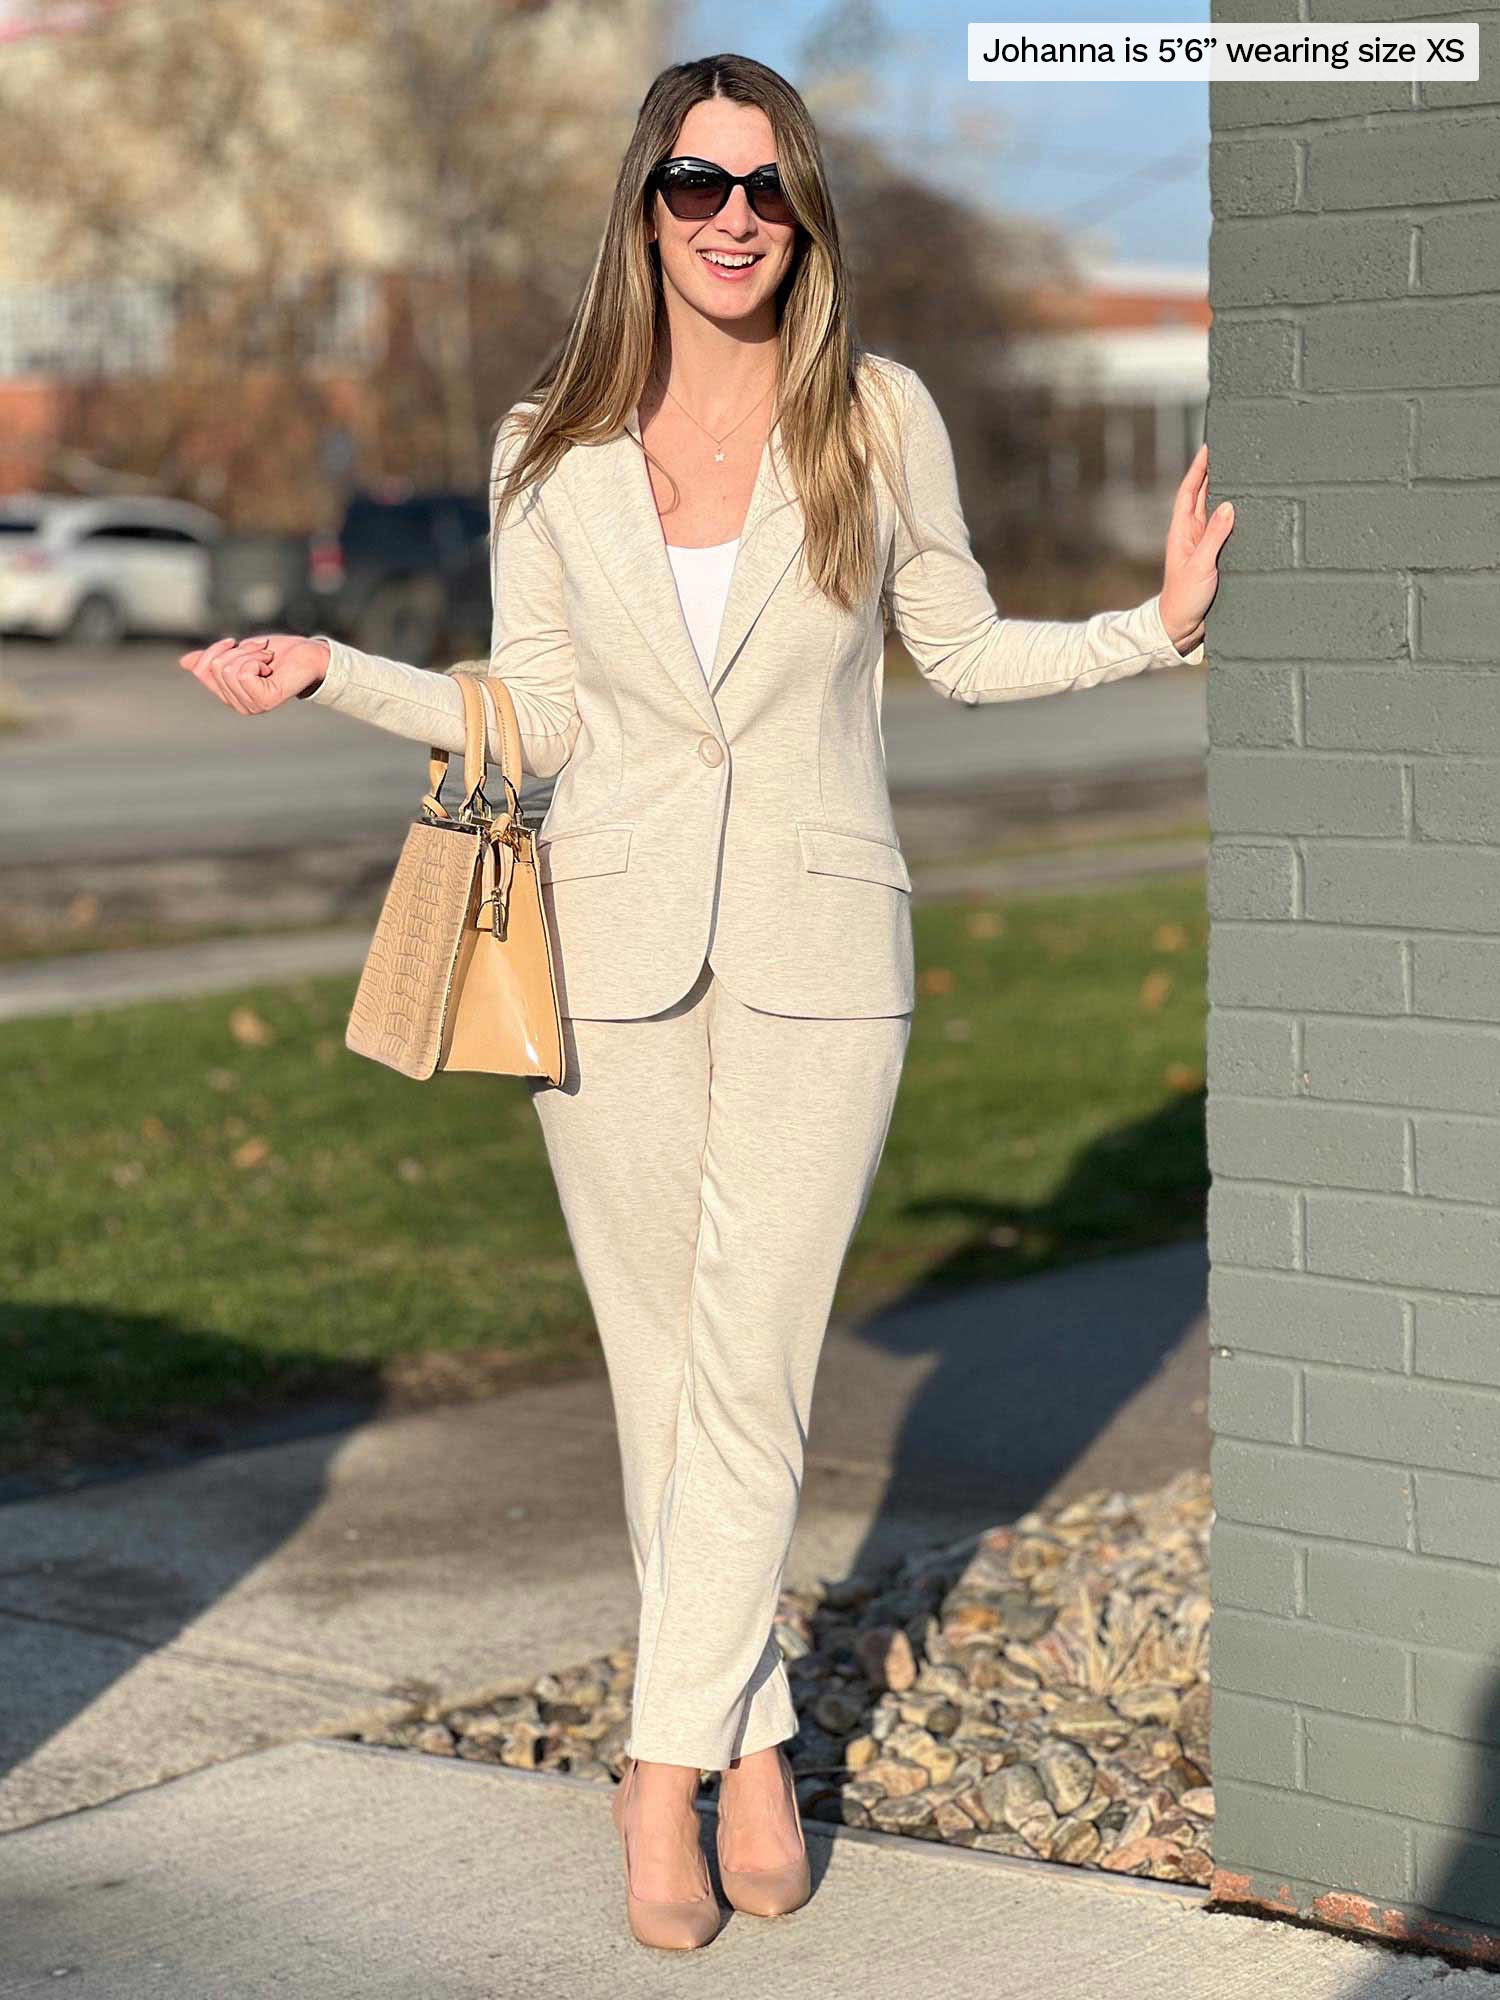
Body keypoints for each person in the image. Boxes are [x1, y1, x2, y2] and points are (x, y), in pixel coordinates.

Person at [180, 51, 1229, 1954]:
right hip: (614, 954)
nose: (734, 217)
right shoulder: (545, 446)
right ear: (643, 206)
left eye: (767, 187)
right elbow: (545, 720)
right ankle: (749, 1741)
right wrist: (329, 668)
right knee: (662, 1379)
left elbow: (960, 650)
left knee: (753, 1370)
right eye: (695, 184)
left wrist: (1152, 631)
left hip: (829, 960)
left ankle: (653, 1773)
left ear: (804, 212)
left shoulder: (878, 414)